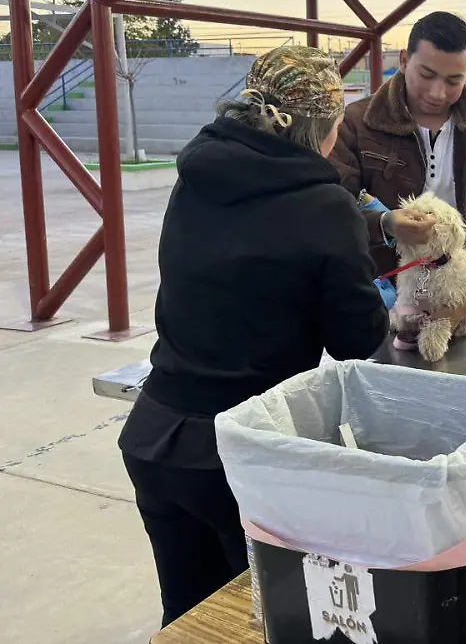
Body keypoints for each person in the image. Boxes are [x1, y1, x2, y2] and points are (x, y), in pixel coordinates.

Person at [119, 46, 389, 627]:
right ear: (321, 127)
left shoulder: (196, 177)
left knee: (190, 618)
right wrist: (372, 287)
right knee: (258, 620)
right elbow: (354, 339)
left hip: (155, 431)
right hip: (238, 451)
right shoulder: (325, 206)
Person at [331, 11, 466, 337]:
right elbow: (332, 209)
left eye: (454, 81)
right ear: (405, 60)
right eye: (427, 74)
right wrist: (385, 224)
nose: (438, 92)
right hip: (377, 298)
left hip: (462, 298)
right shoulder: (357, 123)